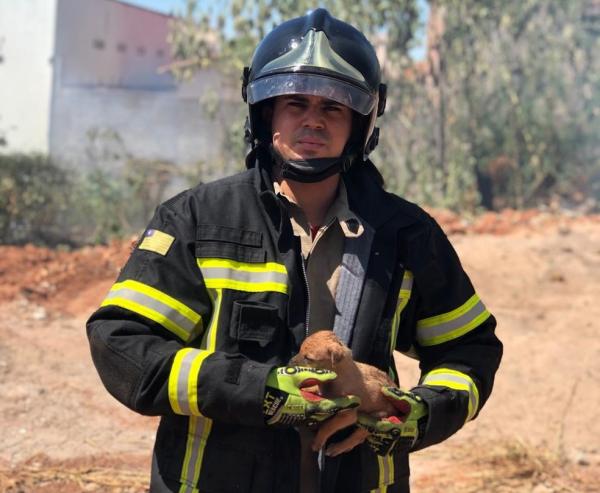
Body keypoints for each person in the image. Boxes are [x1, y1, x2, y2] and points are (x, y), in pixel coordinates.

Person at [87, 8, 502, 493]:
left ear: (361, 123)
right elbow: (122, 343)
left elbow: (470, 349)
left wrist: (416, 413)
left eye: (333, 107)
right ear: (266, 115)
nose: (313, 121)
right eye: (295, 104)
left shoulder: (404, 233)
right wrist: (263, 390)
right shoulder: (199, 220)